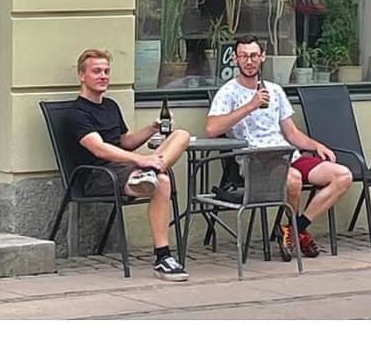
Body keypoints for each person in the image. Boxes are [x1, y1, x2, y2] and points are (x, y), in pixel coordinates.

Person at [205, 34, 352, 260]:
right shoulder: (228, 92)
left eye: (254, 55)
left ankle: (294, 228)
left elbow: (291, 132)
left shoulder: (274, 90)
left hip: (287, 154)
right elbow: (211, 129)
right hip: (255, 159)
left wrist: (316, 145)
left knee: (342, 175)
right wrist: (250, 105)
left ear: (262, 57)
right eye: (243, 56)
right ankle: (295, 231)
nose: (249, 61)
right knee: (293, 179)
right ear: (235, 59)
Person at [69, 48, 192, 281]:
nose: (103, 76)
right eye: (96, 71)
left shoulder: (111, 106)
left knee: (181, 135)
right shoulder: (76, 113)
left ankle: (149, 174)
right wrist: (141, 160)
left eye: (106, 71)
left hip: (127, 169)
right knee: (162, 181)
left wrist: (152, 128)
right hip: (99, 176)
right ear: (81, 76)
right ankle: (163, 257)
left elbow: (125, 141)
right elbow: (99, 148)